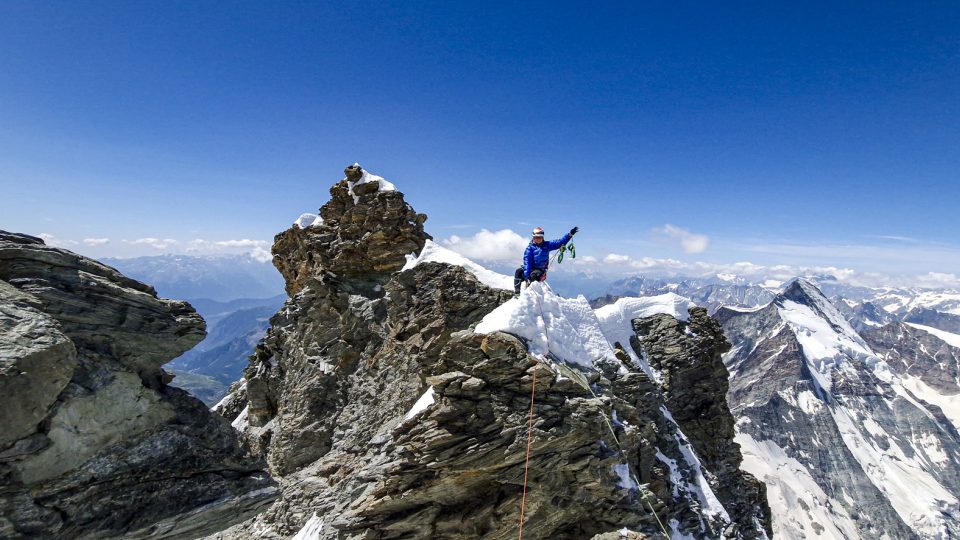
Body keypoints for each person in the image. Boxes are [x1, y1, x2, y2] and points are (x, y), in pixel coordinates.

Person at [514, 226, 578, 294]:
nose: (539, 239)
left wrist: (569, 235)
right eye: (537, 237)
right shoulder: (529, 249)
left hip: (540, 271)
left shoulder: (547, 245)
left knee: (533, 276)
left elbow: (559, 243)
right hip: (531, 269)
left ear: (543, 237)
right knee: (518, 272)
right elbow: (527, 263)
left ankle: (530, 295)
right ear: (533, 237)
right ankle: (517, 294)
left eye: (540, 237)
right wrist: (526, 276)